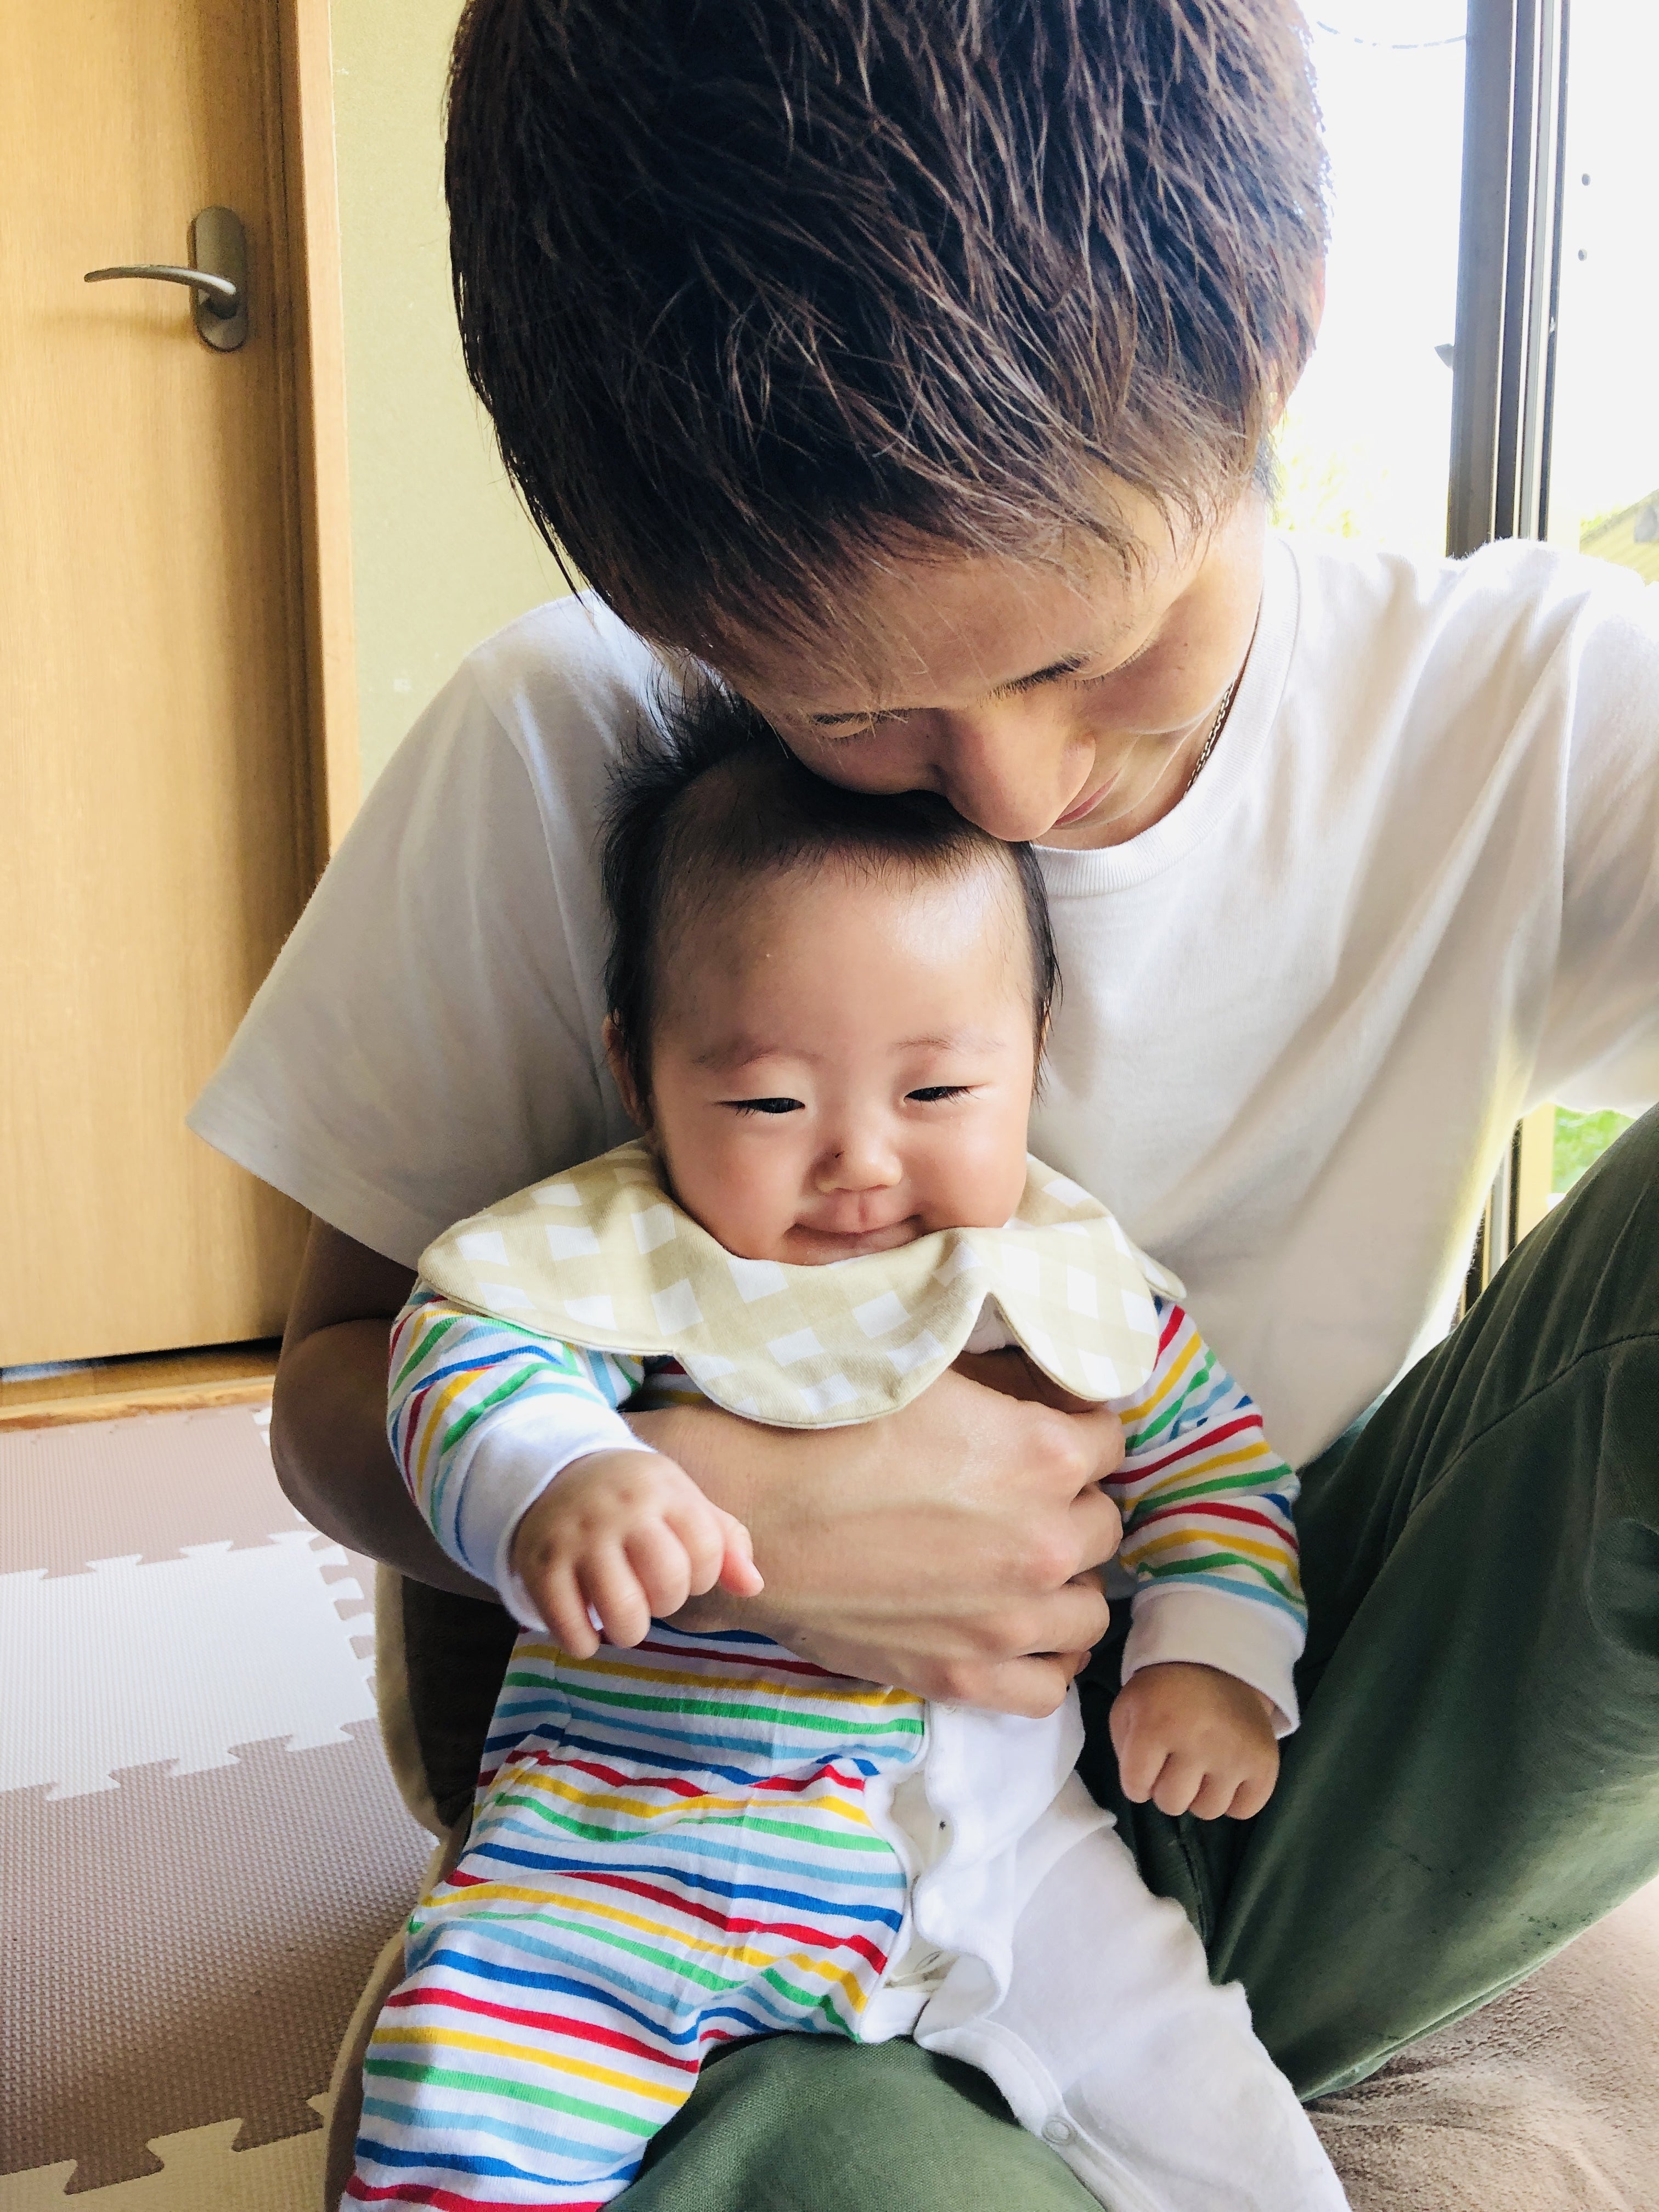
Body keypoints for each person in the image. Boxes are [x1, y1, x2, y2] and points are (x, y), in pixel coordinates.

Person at [189, 3, 1659, 2203]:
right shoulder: (574, 732)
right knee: (821, 2171)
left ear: (1276, 331)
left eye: (1082, 652)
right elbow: (327, 1392)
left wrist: (1214, 1628)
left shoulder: (1528, 709)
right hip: (716, 1824)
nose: (1012, 792)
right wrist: (714, 1518)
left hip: (1277, 1702)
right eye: (847, 706)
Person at [347, 701, 1345, 2209]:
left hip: (1008, 1861)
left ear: (1035, 1056)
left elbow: (1214, 1467)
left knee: (1203, 2093)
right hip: (619, 1847)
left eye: (937, 1093)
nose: (861, 1161)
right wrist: (562, 1474)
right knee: (466, 2083)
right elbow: (460, 1362)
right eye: (770, 1101)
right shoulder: (622, 1251)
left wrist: (1212, 1653)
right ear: (639, 1072)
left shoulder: (1066, 1276)